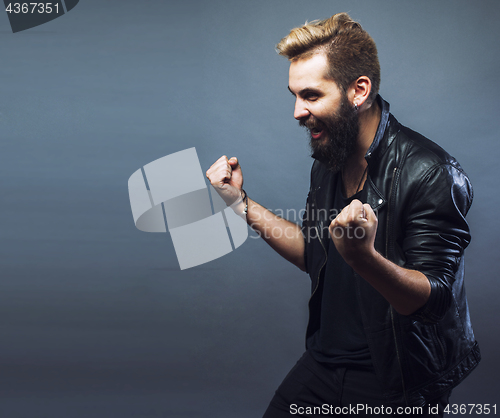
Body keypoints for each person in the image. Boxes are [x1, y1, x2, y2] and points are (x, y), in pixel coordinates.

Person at [206, 12, 480, 417]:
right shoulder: (330, 158)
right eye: (294, 95)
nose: (297, 112)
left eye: (312, 96)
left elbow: (432, 301)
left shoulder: (430, 172)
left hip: (397, 379)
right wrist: (238, 202)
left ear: (359, 90)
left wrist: (363, 258)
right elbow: (315, 253)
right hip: (323, 364)